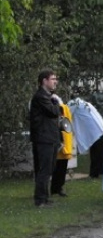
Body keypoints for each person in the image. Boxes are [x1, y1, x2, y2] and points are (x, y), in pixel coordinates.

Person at [29, 69, 61, 207]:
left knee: (49, 168)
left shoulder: (48, 96)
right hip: (44, 138)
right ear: (44, 81)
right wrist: (57, 103)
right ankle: (40, 199)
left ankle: (45, 197)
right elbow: (53, 112)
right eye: (53, 79)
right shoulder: (41, 97)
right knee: (44, 169)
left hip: (50, 137)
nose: (55, 82)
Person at [68, 96, 103, 179]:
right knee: (98, 154)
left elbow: (66, 113)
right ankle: (96, 173)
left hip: (97, 132)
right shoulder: (85, 105)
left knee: (98, 154)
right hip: (99, 131)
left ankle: (96, 173)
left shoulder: (77, 105)